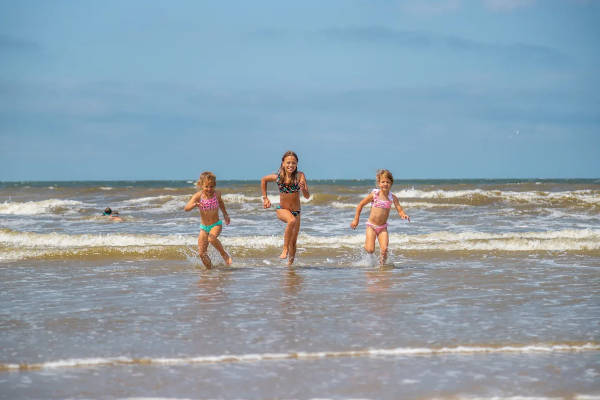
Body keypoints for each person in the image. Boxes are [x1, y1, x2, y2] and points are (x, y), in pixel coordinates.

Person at [260, 150, 310, 266]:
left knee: (293, 242)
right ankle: (284, 248)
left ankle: (290, 265)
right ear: (283, 163)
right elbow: (263, 180)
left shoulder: (300, 176)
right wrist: (265, 198)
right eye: (288, 163)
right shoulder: (279, 177)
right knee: (291, 220)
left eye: (293, 163)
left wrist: (303, 189)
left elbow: (307, 197)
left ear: (297, 164)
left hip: (296, 211)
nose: (290, 165)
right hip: (282, 209)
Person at [350, 169, 410, 265]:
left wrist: (403, 215)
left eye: (388, 182)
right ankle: (367, 246)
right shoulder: (375, 195)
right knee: (370, 249)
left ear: (391, 183)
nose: (385, 184)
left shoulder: (392, 197)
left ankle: (382, 266)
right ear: (379, 183)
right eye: (383, 182)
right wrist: (356, 220)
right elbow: (360, 205)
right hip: (371, 226)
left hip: (383, 228)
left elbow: (399, 209)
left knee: (384, 249)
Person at [184, 171, 232, 268]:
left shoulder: (217, 194)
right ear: (201, 185)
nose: (209, 189)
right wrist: (194, 205)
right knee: (202, 253)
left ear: (214, 186)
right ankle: (209, 271)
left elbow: (221, 203)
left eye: (212, 186)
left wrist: (225, 214)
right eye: (206, 187)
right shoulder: (198, 196)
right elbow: (186, 208)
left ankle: (224, 254)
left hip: (216, 224)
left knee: (211, 238)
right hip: (204, 227)